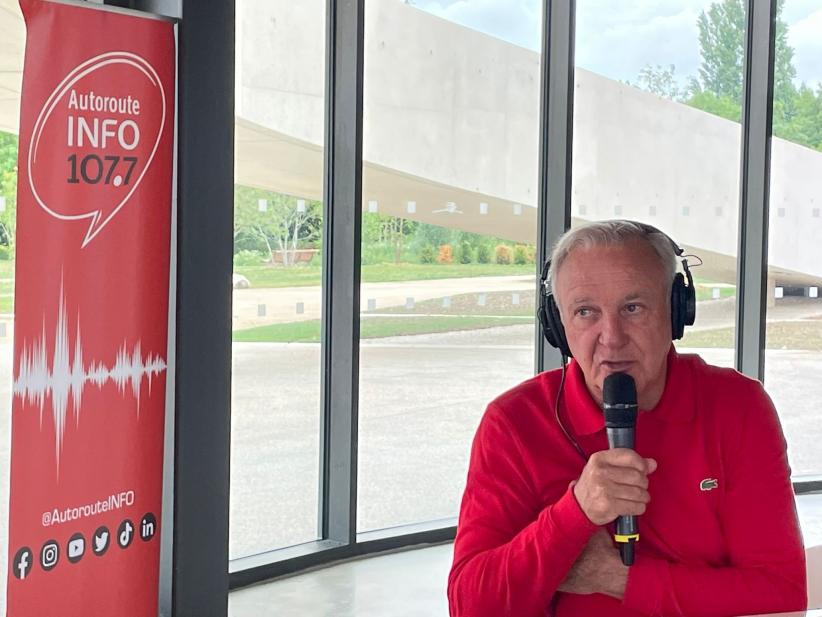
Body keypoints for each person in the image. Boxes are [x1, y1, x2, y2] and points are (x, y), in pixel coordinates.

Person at [447, 220, 807, 617]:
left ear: (677, 311)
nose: (611, 337)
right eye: (585, 312)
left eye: (632, 308)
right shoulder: (513, 422)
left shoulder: (738, 406)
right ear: (557, 324)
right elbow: (471, 606)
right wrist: (575, 513)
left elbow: (780, 591)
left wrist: (615, 578)